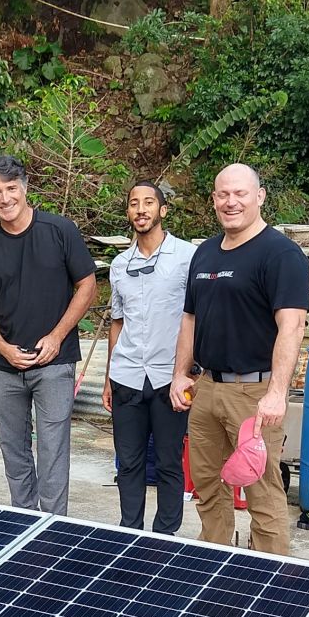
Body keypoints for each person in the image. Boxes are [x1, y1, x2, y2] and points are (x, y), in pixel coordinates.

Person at [170, 163, 308, 554]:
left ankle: (270, 572)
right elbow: (190, 318)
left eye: (240, 194)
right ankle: (214, 555)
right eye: (223, 195)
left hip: (255, 393)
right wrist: (181, 374)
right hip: (207, 389)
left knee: (262, 488)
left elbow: (292, 327)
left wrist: (277, 393)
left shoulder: (281, 255)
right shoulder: (205, 253)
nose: (231, 202)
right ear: (213, 200)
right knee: (206, 483)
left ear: (260, 197)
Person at [0, 154, 98, 514]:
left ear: (25, 188)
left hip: (54, 364)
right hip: (4, 367)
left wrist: (56, 336)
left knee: (53, 450)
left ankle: (53, 530)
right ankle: (22, 523)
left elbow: (87, 285)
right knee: (14, 451)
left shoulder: (60, 230)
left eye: (11, 188)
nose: (5, 198)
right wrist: (3, 348)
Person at [104, 181, 194, 534]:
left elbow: (195, 319)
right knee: (128, 464)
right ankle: (130, 532)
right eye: (133, 204)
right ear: (128, 212)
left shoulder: (186, 257)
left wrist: (191, 371)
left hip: (168, 378)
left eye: (148, 203)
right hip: (127, 376)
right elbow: (117, 323)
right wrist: (111, 377)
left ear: (162, 210)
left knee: (170, 463)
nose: (141, 210)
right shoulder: (119, 264)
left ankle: (164, 538)